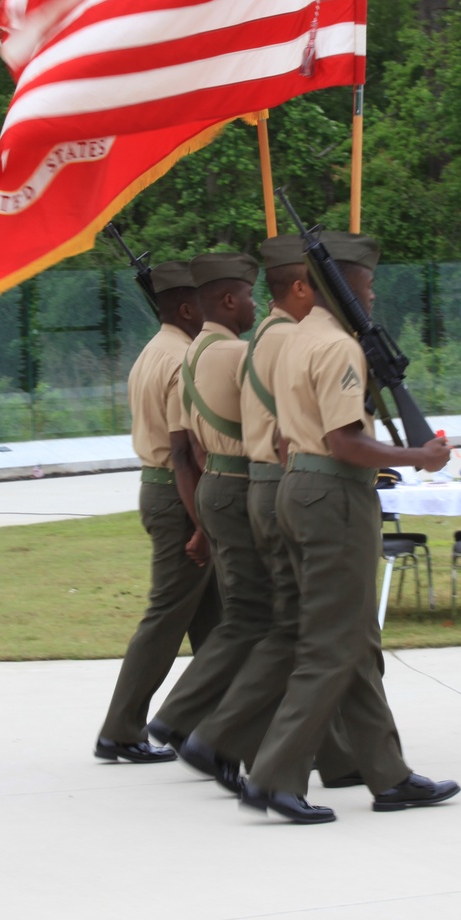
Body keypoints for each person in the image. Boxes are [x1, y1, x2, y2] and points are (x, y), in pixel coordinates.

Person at [240, 231, 461, 824]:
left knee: (356, 643)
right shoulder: (338, 347)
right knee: (332, 646)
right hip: (334, 495)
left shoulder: (296, 335)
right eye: (365, 289)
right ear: (344, 289)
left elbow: (294, 434)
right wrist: (421, 458)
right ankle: (273, 776)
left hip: (301, 488)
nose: (372, 299)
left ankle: (388, 776)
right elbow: (343, 441)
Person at [179, 234, 357, 789]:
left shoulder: (251, 341)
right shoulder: (288, 341)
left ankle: (344, 756)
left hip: (252, 482)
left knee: (295, 627)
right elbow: (296, 430)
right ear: (302, 286)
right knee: (293, 627)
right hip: (286, 485)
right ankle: (221, 736)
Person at [146, 250, 272, 787]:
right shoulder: (234, 353)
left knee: (239, 619)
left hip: (215, 485)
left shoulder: (193, 350)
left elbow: (189, 448)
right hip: (240, 485)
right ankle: (196, 726)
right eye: (249, 295)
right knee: (258, 619)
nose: (255, 303)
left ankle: (201, 727)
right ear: (227, 299)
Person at [94, 261, 221, 763]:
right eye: (207, 302)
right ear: (188, 308)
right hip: (181, 496)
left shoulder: (153, 351)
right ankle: (121, 730)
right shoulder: (184, 359)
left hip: (164, 489)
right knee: (166, 618)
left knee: (218, 624)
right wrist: (202, 523)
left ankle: (199, 726)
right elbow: (187, 452)